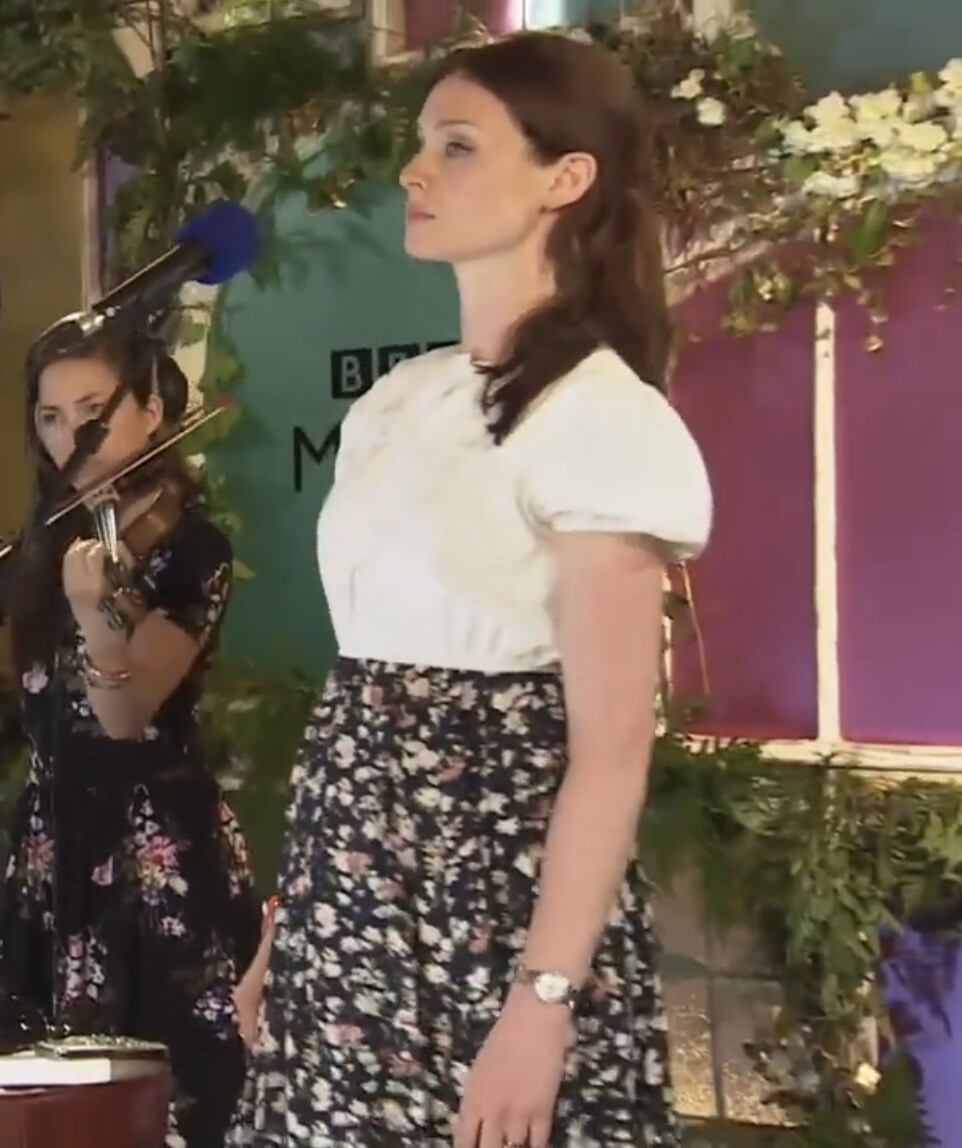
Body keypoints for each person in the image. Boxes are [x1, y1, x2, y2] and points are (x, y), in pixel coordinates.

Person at [231, 29, 712, 1148]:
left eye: (456, 145)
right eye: (420, 144)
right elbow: (360, 710)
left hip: (495, 906)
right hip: (350, 901)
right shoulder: (399, 401)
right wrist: (287, 932)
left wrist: (541, 1004)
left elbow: (610, 749)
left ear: (565, 177)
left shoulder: (600, 418)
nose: (415, 170)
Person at [0, 319, 262, 1148]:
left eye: (93, 412)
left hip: (155, 854)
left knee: (167, 1108)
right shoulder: (43, 547)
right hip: (51, 848)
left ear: (152, 411)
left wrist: (98, 617)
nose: (70, 438)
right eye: (50, 418)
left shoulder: (191, 547)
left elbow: (125, 715)